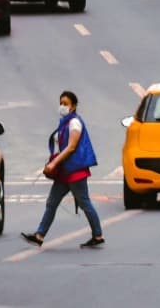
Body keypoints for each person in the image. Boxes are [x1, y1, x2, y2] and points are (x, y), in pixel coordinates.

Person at [21, 91, 104, 249]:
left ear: (73, 106)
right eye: (61, 103)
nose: (62, 106)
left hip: (74, 171)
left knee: (84, 203)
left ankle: (98, 235)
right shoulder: (65, 122)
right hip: (64, 171)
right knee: (52, 203)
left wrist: (54, 163)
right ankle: (39, 235)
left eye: (66, 103)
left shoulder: (74, 123)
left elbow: (71, 147)